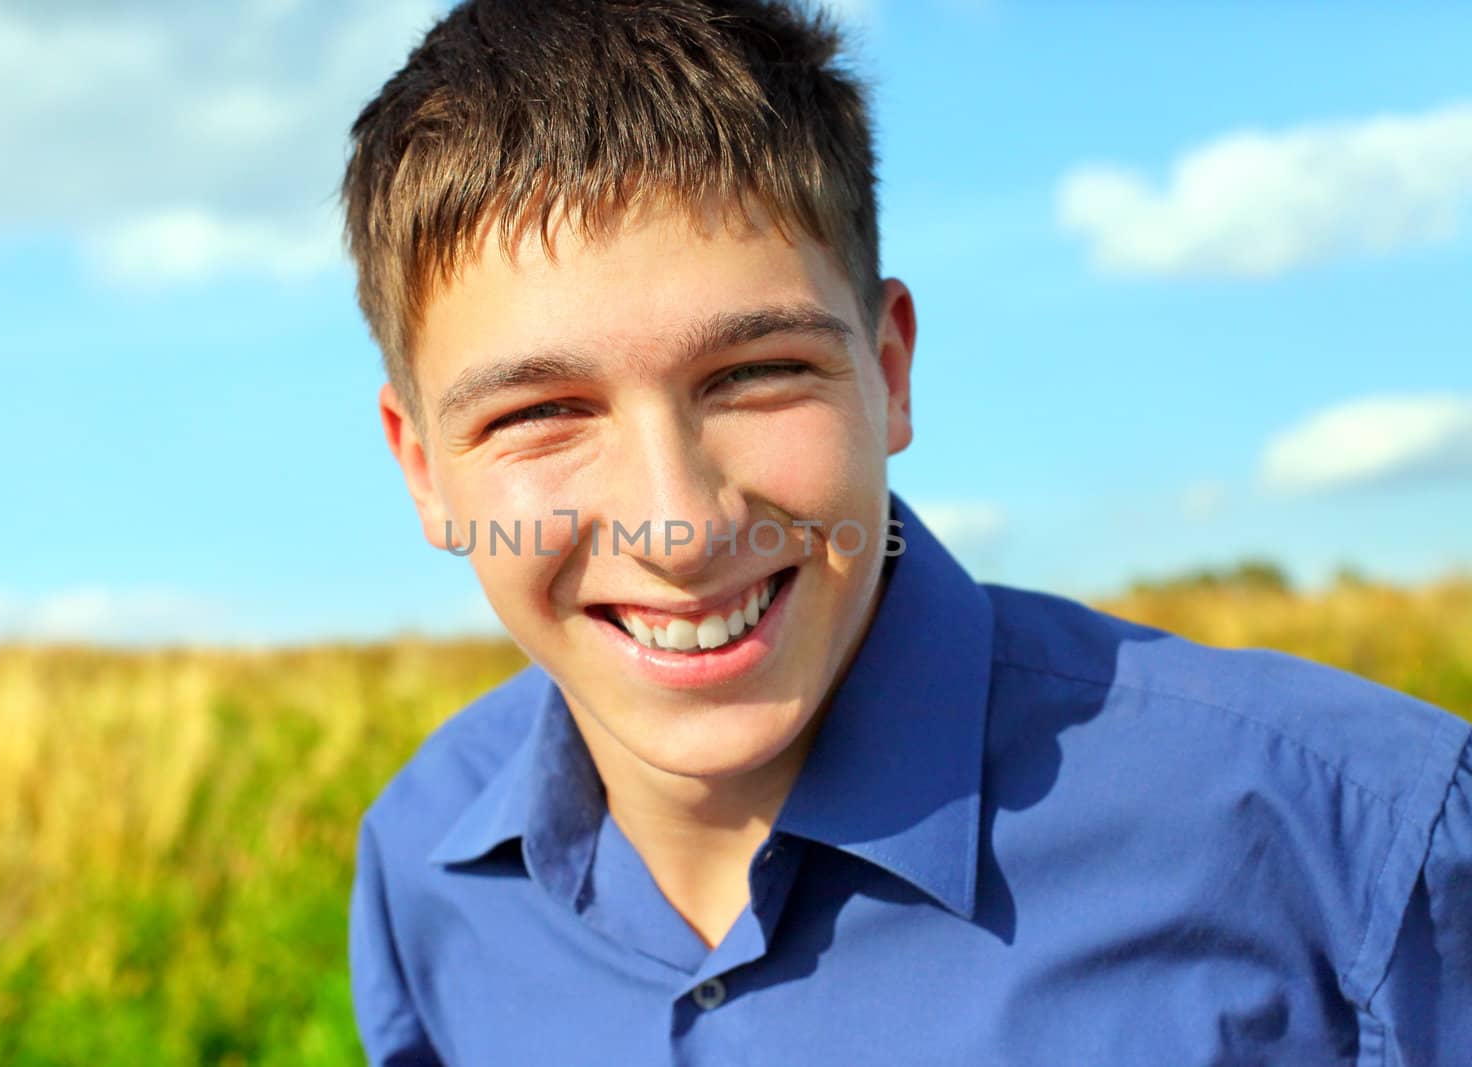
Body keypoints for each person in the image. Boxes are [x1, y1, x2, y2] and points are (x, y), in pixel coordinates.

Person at [341, 2, 1472, 1063]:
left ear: (888, 372)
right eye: (540, 413)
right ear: (421, 466)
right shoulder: (424, 867)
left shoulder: (1352, 844)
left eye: (758, 374)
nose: (678, 524)